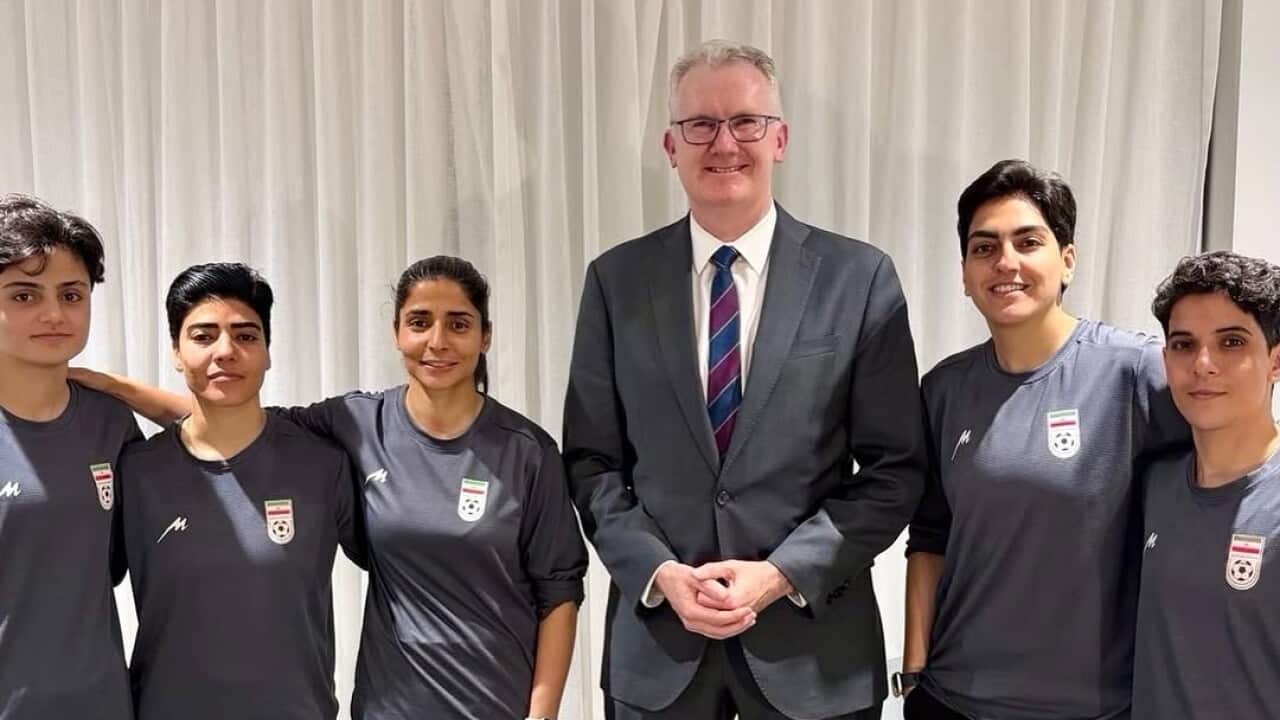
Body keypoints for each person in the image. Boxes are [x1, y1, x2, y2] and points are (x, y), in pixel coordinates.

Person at [563, 39, 927, 719]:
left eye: (745, 122)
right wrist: (659, 574)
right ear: (671, 146)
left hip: (815, 654)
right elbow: (592, 463)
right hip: (659, 654)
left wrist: (782, 574)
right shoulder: (616, 283)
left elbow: (894, 469)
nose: (723, 142)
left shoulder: (860, 279)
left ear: (779, 138)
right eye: (699, 124)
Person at [74, 255, 587, 720]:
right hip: (386, 705)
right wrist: (116, 389)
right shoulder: (354, 423)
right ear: (396, 333)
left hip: (494, 698)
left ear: (486, 335)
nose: (438, 341)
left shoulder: (523, 449)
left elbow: (559, 591)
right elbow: (232, 415)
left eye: (458, 324)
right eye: (420, 322)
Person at [900, 160, 1188, 719]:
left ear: (1067, 261)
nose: (1005, 262)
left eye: (1027, 242)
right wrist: (914, 675)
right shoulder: (944, 389)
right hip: (951, 700)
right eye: (984, 248)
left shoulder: (1136, 373)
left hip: (1091, 707)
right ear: (964, 273)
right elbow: (930, 536)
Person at [122, 263, 363, 719]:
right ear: (175, 350)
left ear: (269, 351)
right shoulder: (136, 471)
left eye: (246, 336)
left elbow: (402, 575)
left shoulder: (322, 464)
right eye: (203, 336)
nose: (225, 351)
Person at [0, 194, 141, 720]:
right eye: (24, 295)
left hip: (100, 702)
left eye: (71, 294)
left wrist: (125, 389)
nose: (54, 314)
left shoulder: (111, 424)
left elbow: (225, 437)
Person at [1133, 251, 1280, 719]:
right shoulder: (1153, 485)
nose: (1203, 364)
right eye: (1183, 344)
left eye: (1232, 342)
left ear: (1275, 362)